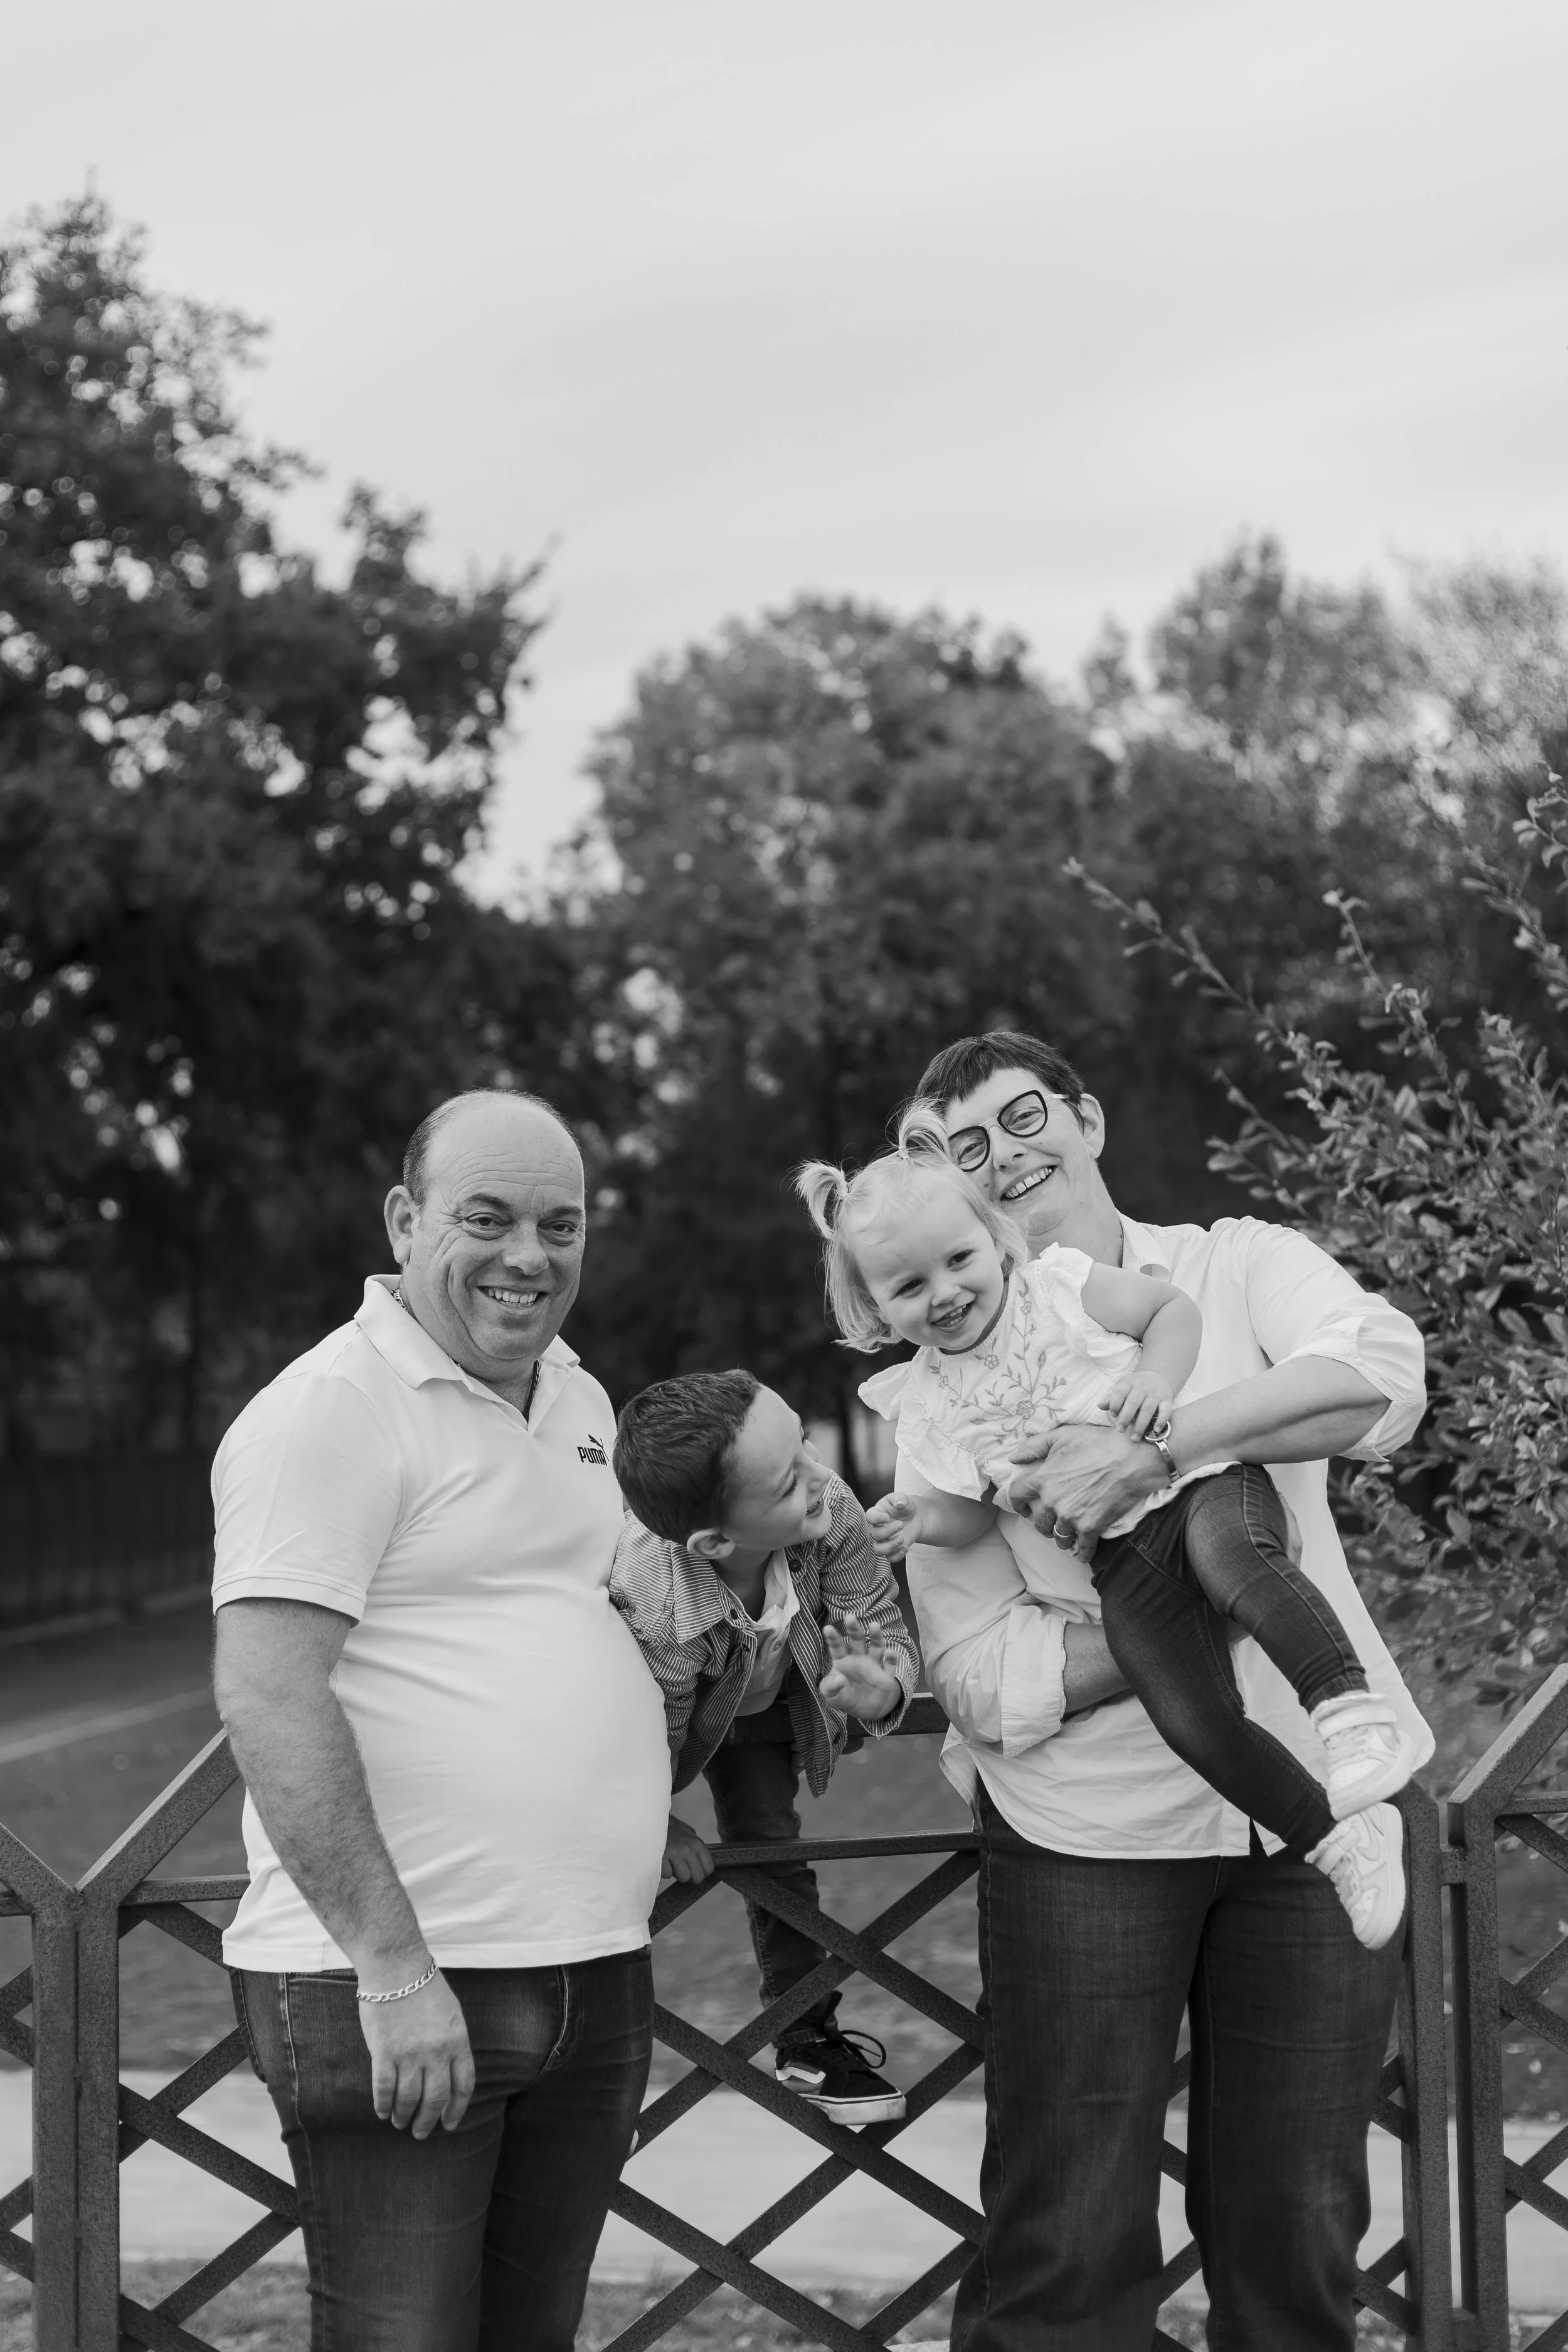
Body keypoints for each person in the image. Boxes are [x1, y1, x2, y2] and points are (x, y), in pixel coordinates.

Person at [887, 1029, 1433, 2352]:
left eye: (1020, 1118)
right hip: (1087, 1839)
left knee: (1298, 2233)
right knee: (1063, 2242)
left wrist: (1156, 1447)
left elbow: (1379, 1376)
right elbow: (979, 1676)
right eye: (961, 1146)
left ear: (1082, 1117)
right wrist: (1157, 1631)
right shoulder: (939, 1390)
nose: (1001, 1155)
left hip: (1317, 1814)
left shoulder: (1227, 1268)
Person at [211, 1090, 670, 2352]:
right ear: (406, 1222)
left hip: (590, 1968)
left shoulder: (580, 1397)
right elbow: (266, 1691)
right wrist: (395, 1969)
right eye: (488, 1218)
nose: (529, 1257)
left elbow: (601, 1629)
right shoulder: (328, 1410)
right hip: (406, 1983)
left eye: (559, 1225)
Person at [795, 1111, 1417, 1951]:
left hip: (1199, 1483)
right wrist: (923, 1519)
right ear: (873, 1305)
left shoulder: (1057, 1286)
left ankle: (1346, 1710)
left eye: (959, 1260)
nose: (944, 1293)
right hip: (1120, 1559)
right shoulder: (927, 1401)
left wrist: (1159, 1388)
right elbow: (978, 1506)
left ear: (995, 1235)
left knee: (1236, 1563)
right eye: (909, 1288)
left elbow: (1172, 1311)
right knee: (1186, 1708)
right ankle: (1337, 1837)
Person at [610, 1369, 919, 2124]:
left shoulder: (828, 1504)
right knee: (614, 1879)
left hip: (765, 1694)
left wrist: (883, 1687)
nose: (822, 1477)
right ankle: (601, 2064)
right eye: (790, 1480)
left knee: (772, 1850)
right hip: (652, 1717)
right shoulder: (654, 1599)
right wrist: (656, 1827)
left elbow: (873, 1614)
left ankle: (802, 2035)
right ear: (716, 1541)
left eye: (807, 1444)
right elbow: (634, 1737)